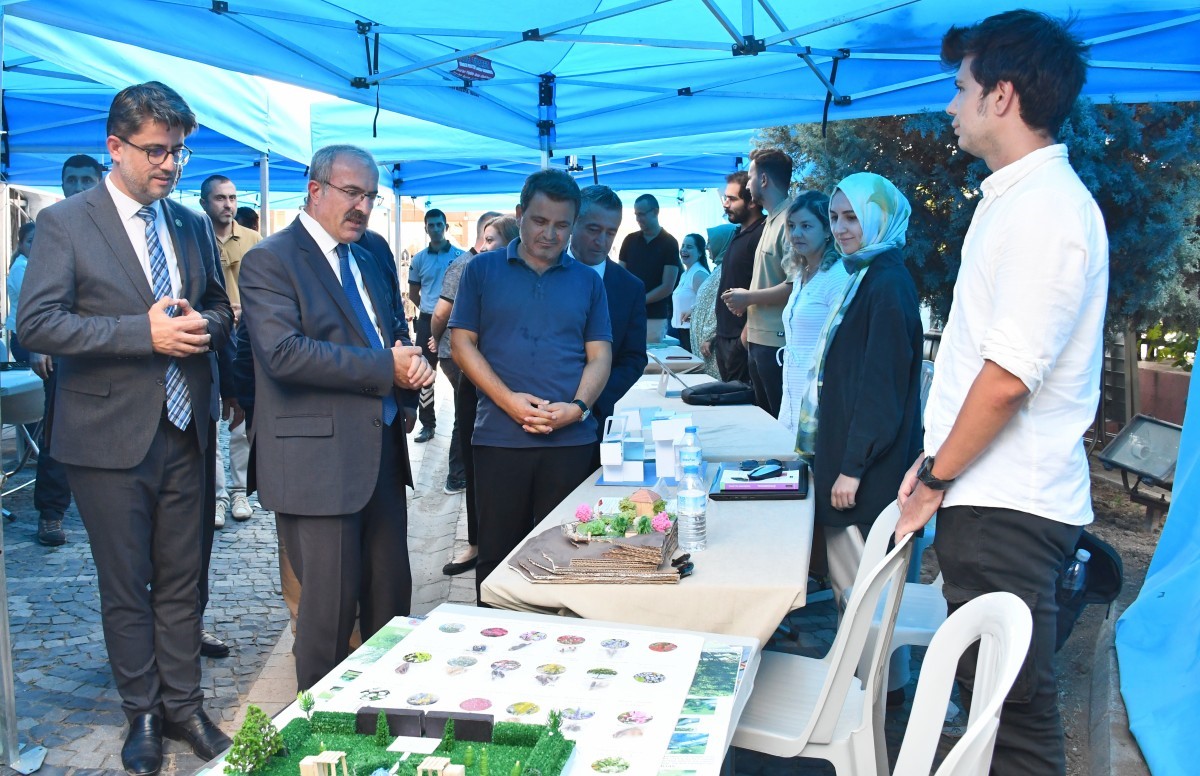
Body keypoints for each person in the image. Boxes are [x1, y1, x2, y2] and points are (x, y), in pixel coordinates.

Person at [896, 12, 1106, 775]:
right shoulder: (1018, 198)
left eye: (961, 88)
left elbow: (1009, 378)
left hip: (1008, 505)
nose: (951, 105)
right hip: (991, 498)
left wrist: (937, 476)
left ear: (1003, 97)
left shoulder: (1047, 208)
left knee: (1012, 719)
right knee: (992, 710)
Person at [17, 81, 235, 775]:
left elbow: (219, 310)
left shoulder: (193, 224)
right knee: (125, 584)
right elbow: (37, 325)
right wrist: (139, 335)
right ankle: (141, 713)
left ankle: (185, 706)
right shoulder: (65, 223)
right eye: (157, 151)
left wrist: (208, 326)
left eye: (179, 152)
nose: (171, 165)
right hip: (107, 438)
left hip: (185, 429)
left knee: (182, 579)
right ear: (116, 147)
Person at [239, 144, 434, 690]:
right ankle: (318, 731)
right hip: (315, 464)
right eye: (352, 193)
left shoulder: (370, 251)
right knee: (326, 617)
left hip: (381, 455)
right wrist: (384, 366)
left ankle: (384, 709)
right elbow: (283, 355)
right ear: (315, 189)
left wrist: (410, 358)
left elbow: (390, 325)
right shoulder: (270, 259)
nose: (363, 207)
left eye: (370, 196)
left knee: (391, 602)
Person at [450, 170, 612, 602]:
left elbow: (600, 355)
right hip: (500, 438)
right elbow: (462, 343)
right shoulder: (481, 271)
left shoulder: (587, 282)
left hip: (572, 441)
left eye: (562, 225)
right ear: (520, 215)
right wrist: (510, 403)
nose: (550, 233)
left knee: (569, 557)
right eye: (540, 221)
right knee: (498, 559)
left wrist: (577, 408)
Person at [794, 172, 923, 609]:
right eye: (834, 217)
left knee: (864, 597)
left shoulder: (886, 284)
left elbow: (880, 388)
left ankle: (872, 679)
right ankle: (870, 675)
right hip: (854, 462)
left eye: (853, 217)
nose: (840, 228)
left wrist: (853, 467)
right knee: (856, 593)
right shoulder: (864, 275)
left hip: (868, 475)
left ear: (880, 218)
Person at [21, 155, 107, 547]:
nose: (77, 186)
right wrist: (39, 345)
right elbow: (36, 297)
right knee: (57, 434)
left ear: (99, 180)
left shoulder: (115, 223)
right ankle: (51, 514)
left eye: (85, 179)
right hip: (63, 349)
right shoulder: (52, 225)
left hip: (112, 346)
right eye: (70, 179)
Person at [432, 214, 518, 576]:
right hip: (474, 378)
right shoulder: (474, 270)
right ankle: (476, 543)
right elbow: (449, 320)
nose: (483, 246)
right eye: (483, 238)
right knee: (471, 458)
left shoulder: (519, 276)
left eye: (492, 239)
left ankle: (508, 545)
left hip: (511, 380)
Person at [568, 185, 649, 464]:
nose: (602, 241)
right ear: (574, 221)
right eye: (593, 229)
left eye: (611, 232)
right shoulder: (541, 273)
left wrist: (589, 402)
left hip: (596, 424)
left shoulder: (629, 287)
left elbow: (634, 358)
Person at [199, 174, 261, 528]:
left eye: (233, 198)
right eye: (220, 198)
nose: (228, 204)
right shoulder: (195, 237)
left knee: (240, 419)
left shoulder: (254, 240)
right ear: (205, 202)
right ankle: (217, 496)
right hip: (209, 338)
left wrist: (245, 310)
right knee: (211, 419)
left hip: (245, 338)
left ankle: (239, 491)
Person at [723, 149, 794, 416]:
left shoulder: (790, 221)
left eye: (751, 177)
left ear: (763, 180)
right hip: (757, 337)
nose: (748, 184)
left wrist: (749, 298)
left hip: (775, 342)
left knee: (776, 421)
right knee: (763, 418)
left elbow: (794, 286)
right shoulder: (769, 221)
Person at [777, 192, 850, 436]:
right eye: (791, 226)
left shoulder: (838, 277)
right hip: (792, 393)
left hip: (818, 401)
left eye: (806, 226)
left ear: (828, 230)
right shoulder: (801, 274)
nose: (796, 234)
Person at [408, 208, 465, 443]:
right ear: (426, 229)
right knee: (425, 376)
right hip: (427, 320)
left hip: (455, 324)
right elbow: (413, 293)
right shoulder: (419, 259)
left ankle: (462, 422)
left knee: (460, 375)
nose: (435, 229)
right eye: (430, 225)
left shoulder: (461, 257)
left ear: (446, 227)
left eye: (439, 224)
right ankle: (427, 425)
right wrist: (430, 313)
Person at [712, 171, 764, 384]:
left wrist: (741, 342)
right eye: (725, 198)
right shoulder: (738, 233)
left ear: (752, 201)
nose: (725, 204)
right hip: (726, 337)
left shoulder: (760, 235)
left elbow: (760, 290)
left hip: (743, 339)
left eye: (732, 199)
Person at [618, 194, 680, 343]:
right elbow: (620, 275)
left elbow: (667, 286)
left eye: (642, 214)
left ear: (655, 212)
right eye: (636, 214)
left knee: (651, 361)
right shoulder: (629, 240)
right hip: (628, 313)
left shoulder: (670, 243)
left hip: (654, 316)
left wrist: (640, 300)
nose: (638, 219)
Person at [688, 225, 731, 380]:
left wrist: (711, 336)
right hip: (705, 344)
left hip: (711, 346)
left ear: (722, 243)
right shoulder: (719, 269)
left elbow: (721, 306)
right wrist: (694, 311)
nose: (707, 247)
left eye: (710, 242)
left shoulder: (727, 270)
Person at [670, 233, 710, 353]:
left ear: (700, 253)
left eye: (689, 247)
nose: (683, 250)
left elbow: (708, 304)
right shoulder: (685, 274)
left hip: (693, 333)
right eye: (683, 246)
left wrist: (693, 310)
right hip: (681, 332)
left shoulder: (699, 274)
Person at [6, 223, 36, 360]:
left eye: (38, 241)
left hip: (33, 335)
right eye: (30, 241)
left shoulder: (34, 265)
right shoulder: (20, 267)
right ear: (21, 244)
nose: (35, 245)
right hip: (24, 337)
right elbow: (32, 298)